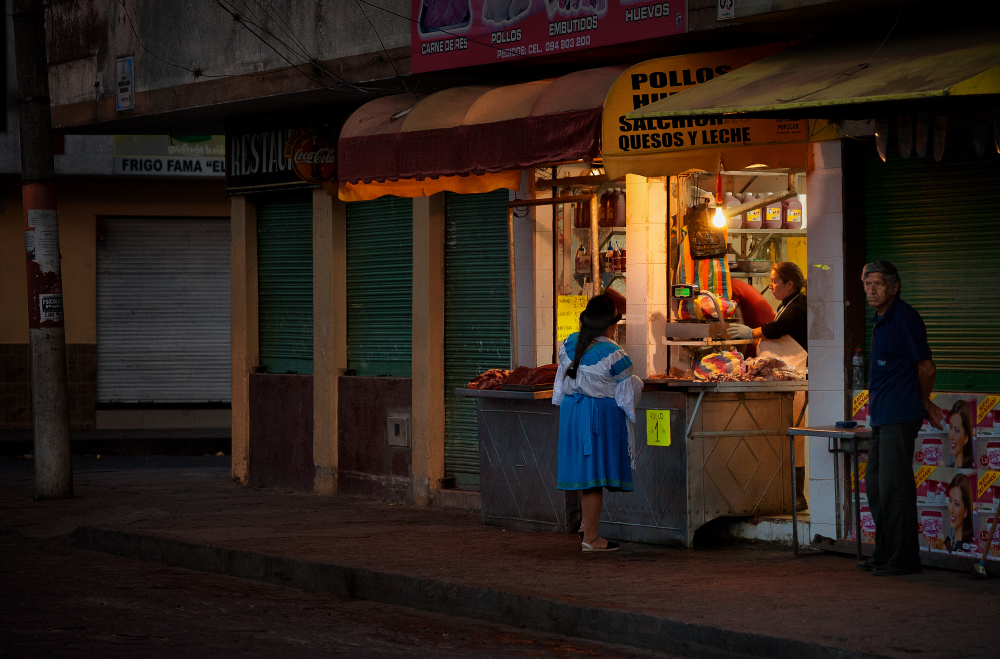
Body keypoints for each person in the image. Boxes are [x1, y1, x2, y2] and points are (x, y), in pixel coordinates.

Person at [859, 261, 945, 576]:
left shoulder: (905, 318)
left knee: (895, 487)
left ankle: (905, 557)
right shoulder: (880, 318)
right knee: (876, 486)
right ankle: (884, 552)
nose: (871, 290)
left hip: (900, 413)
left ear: (894, 287)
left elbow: (927, 368)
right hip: (882, 415)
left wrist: (924, 401)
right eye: (867, 283)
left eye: (878, 284)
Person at [552, 294, 643, 552]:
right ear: (611, 326)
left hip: (572, 413)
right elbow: (626, 393)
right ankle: (591, 538)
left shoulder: (568, 344)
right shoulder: (614, 354)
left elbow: (560, 386)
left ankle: (585, 526)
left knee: (585, 473)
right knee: (593, 477)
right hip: (595, 417)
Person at [726, 262, 808, 510]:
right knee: (782, 438)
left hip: (795, 380)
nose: (770, 286)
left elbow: (777, 329)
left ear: (789, 284)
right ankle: (782, 493)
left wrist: (751, 333)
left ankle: (796, 496)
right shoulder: (787, 304)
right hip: (783, 379)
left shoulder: (799, 306)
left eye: (774, 281)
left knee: (794, 439)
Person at [728, 278, 776, 359]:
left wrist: (739, 362)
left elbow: (740, 332)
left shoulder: (730, 290)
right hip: (764, 335)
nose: (770, 286)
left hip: (765, 340)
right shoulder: (733, 283)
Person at [945, 473, 975, 554]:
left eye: (957, 504)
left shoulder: (967, 549)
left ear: (965, 511)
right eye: (950, 501)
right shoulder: (951, 541)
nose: (951, 509)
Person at [948, 399, 975, 469]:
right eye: (950, 427)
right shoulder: (948, 468)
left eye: (957, 430)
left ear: (966, 437)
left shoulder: (969, 469)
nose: (952, 436)